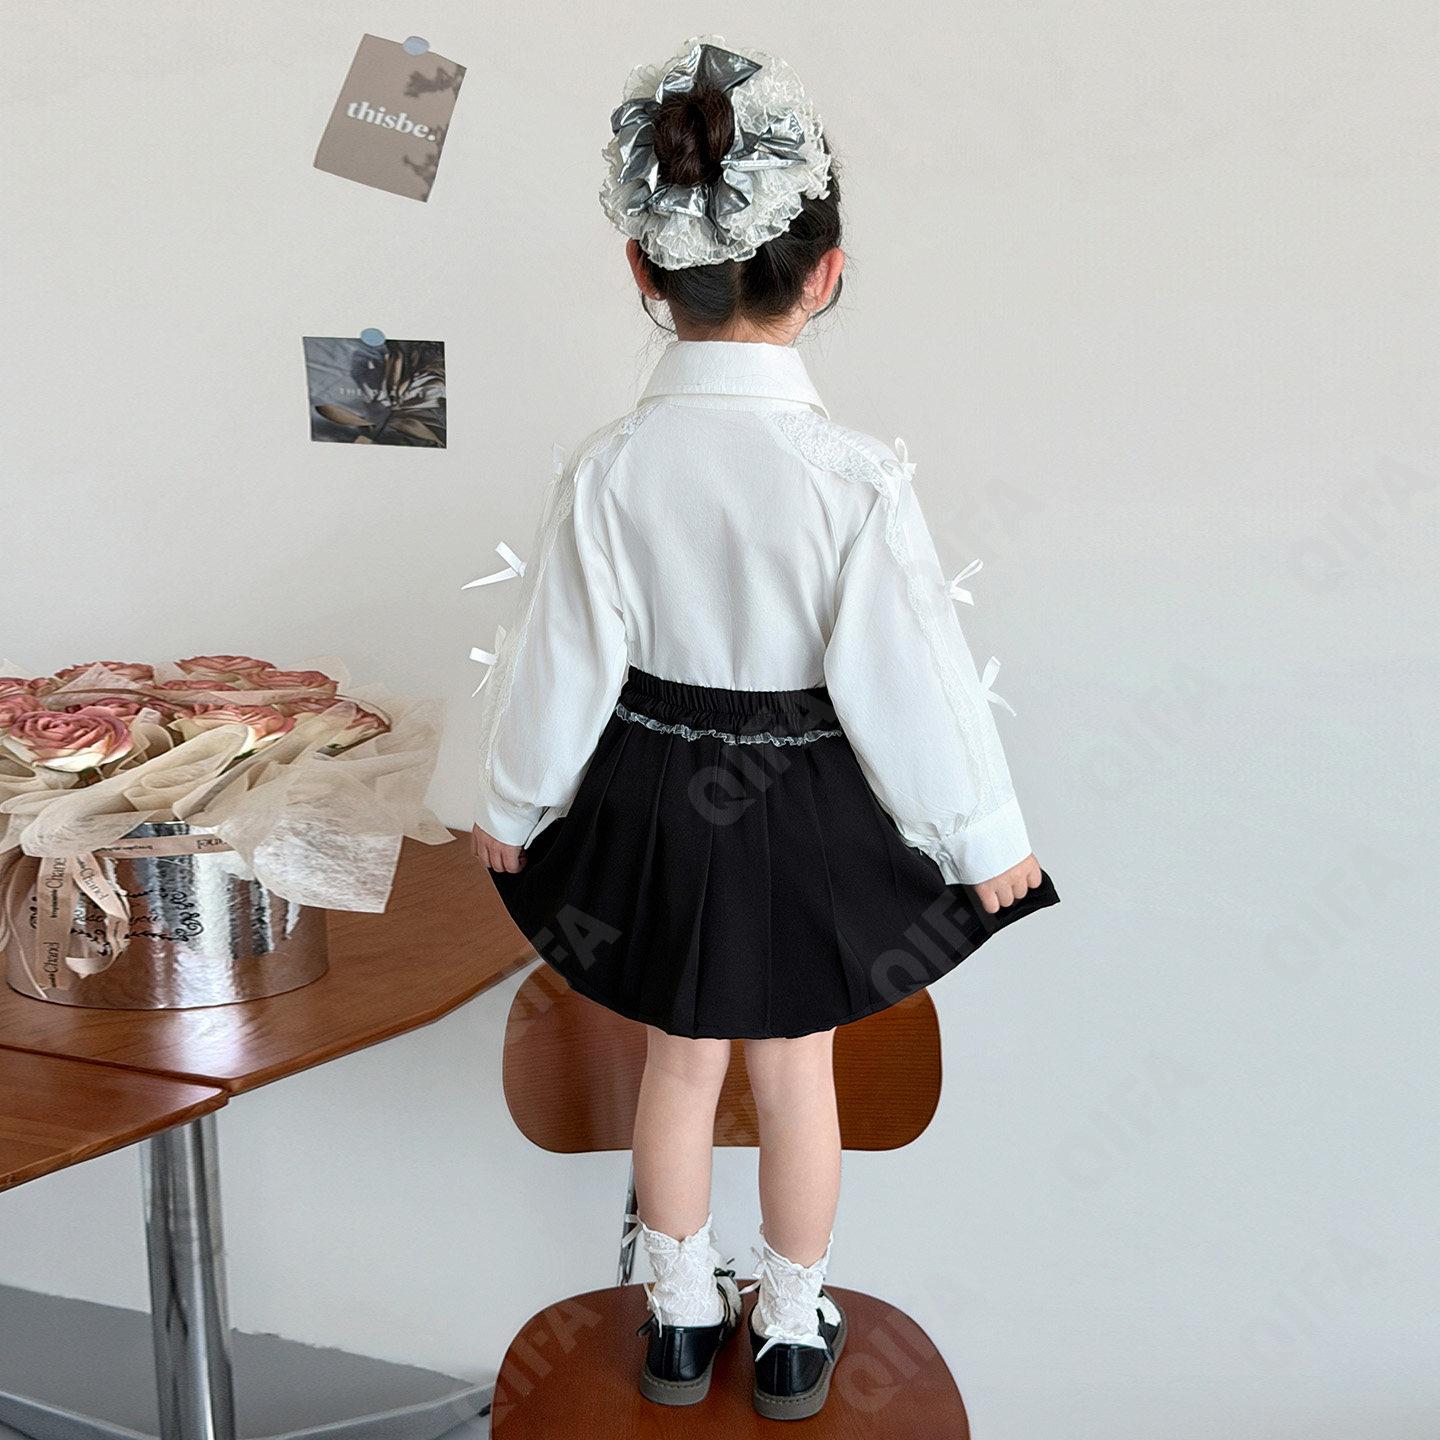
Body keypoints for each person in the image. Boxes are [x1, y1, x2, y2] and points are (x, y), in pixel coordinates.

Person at [470, 35, 1058, 1422]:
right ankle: (791, 1330)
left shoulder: (609, 468)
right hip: (803, 807)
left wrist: (513, 805)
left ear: (641, 270)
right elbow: (912, 674)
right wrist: (985, 836)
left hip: (653, 804)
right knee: (797, 1077)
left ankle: (680, 1322)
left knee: (678, 1067)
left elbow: (562, 658)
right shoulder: (853, 478)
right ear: (826, 274)